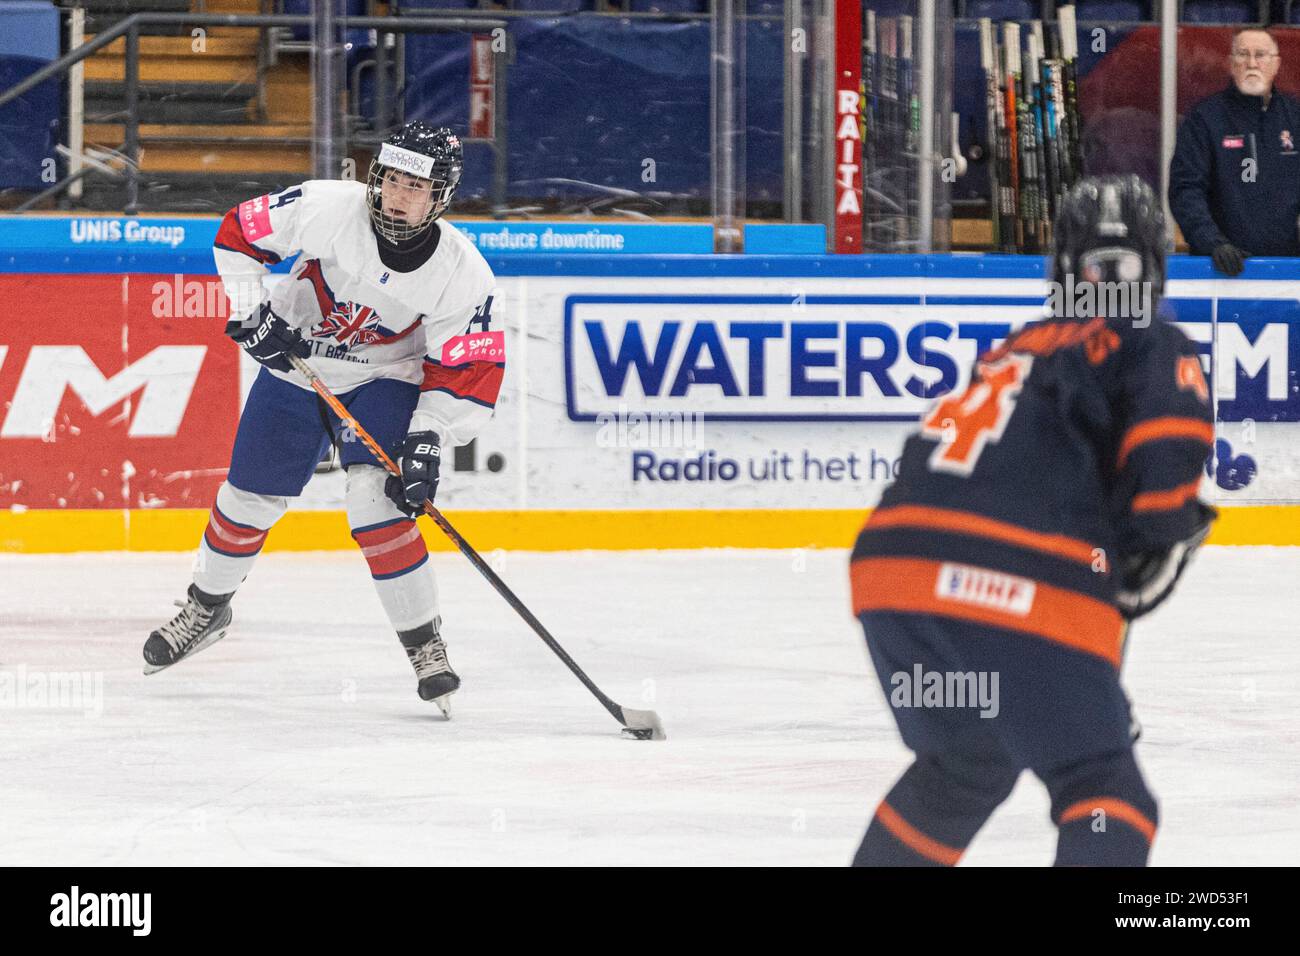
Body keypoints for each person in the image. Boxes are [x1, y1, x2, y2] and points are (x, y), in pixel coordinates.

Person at [850, 176, 1216, 866]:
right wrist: (1158, 535)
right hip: (1007, 579)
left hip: (889, 575)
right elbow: (1165, 471)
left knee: (966, 764)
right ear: (1157, 263)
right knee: (1107, 798)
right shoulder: (1153, 343)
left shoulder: (1019, 348)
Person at [142, 122, 505, 716]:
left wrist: (428, 439)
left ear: (441, 195)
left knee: (377, 504)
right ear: (375, 176)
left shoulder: (463, 274)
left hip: (384, 378)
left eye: (416, 186)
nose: (398, 194)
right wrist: (251, 313)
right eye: (391, 178)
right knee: (247, 499)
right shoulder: (325, 208)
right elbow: (238, 234)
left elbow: (466, 371)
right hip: (298, 363)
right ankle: (207, 609)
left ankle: (425, 646)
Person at [1168, 26, 1300, 275]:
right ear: (1230, 63)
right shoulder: (1205, 119)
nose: (1252, 63)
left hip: (1286, 270)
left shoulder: (1295, 118)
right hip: (1220, 270)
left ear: (1276, 64)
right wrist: (1213, 243)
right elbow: (1185, 190)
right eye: (1242, 54)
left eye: (1260, 55)